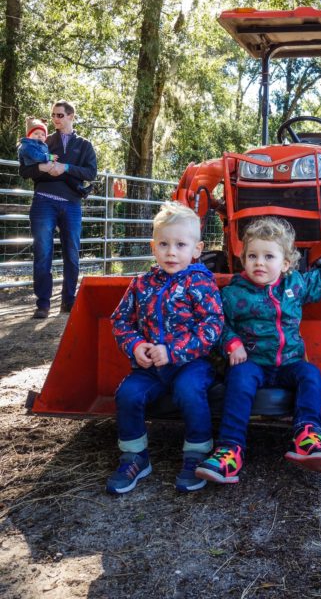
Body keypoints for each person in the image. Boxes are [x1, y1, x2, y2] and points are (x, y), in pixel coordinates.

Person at [195, 217, 321, 485]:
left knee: (310, 374)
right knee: (239, 378)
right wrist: (231, 343)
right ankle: (230, 449)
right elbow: (219, 324)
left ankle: (307, 436)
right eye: (252, 256)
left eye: (268, 256)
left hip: (289, 363)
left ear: (285, 264)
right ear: (243, 260)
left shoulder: (294, 286)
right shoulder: (233, 294)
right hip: (253, 363)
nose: (259, 262)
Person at [107, 202, 224, 495]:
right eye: (164, 244)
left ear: (197, 249)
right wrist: (135, 345)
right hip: (150, 368)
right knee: (128, 394)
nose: (171, 251)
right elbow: (120, 319)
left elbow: (212, 327)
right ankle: (135, 456)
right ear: (153, 246)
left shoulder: (202, 284)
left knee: (189, 390)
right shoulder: (140, 284)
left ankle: (197, 451)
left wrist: (172, 351)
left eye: (180, 244)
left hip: (192, 363)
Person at [18, 100, 97, 319]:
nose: (55, 119)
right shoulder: (43, 140)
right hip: (43, 202)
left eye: (60, 115)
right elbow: (25, 170)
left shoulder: (84, 145)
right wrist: (45, 168)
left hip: (72, 204)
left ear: (72, 116)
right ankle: (43, 304)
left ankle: (68, 302)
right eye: (53, 115)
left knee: (72, 254)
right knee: (42, 253)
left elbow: (90, 173)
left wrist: (66, 168)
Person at [18, 117, 90, 196]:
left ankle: (81, 190)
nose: (39, 136)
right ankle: (80, 190)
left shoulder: (42, 144)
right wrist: (49, 158)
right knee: (64, 176)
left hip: (46, 166)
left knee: (66, 176)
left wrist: (54, 162)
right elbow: (36, 157)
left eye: (42, 134)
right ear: (29, 135)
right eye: (36, 134)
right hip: (35, 168)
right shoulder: (28, 146)